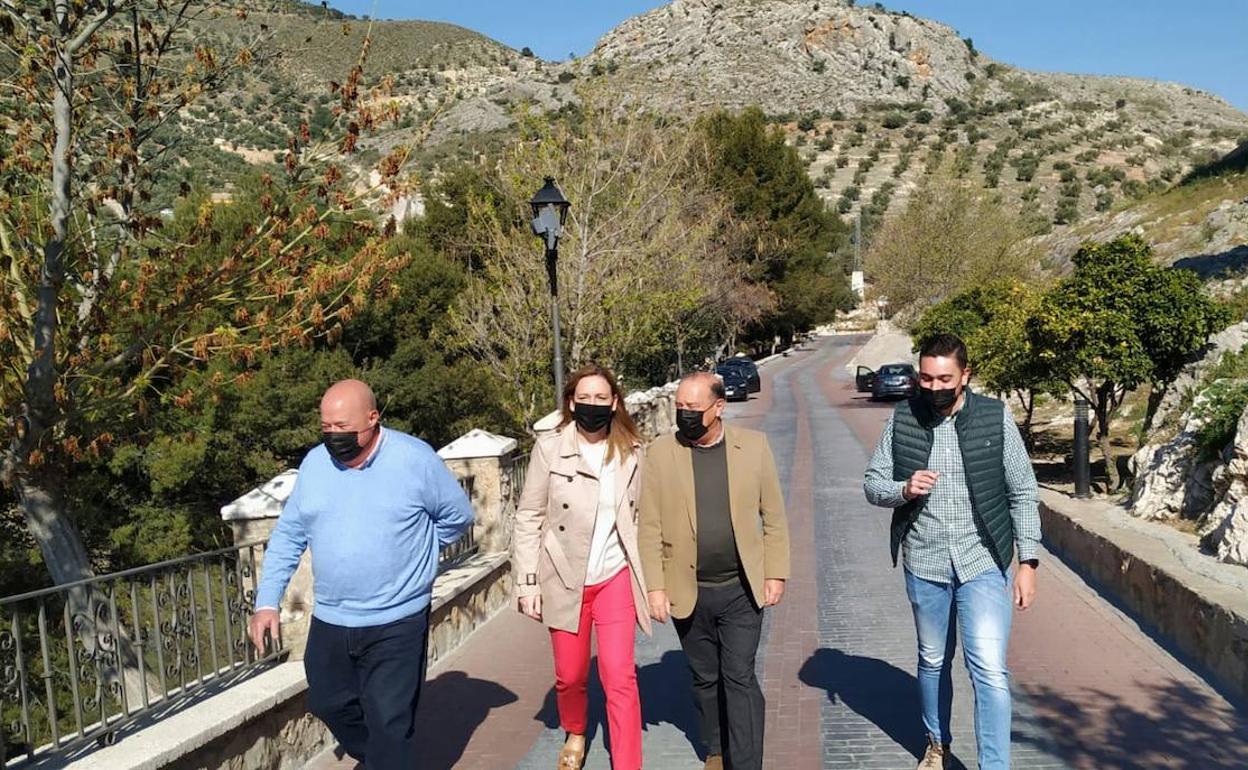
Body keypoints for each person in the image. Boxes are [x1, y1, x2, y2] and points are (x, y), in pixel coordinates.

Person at [248, 379, 474, 770]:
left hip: (397, 618)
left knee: (389, 719)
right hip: (332, 618)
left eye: (343, 427)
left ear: (373, 418)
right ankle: (385, 756)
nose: (334, 436)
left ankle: (388, 755)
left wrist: (418, 553)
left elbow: (457, 518)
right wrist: (267, 601)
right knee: (326, 702)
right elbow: (289, 534)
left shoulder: (414, 459)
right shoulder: (315, 464)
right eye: (326, 427)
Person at [863, 334, 1041, 770]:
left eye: (945, 378)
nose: (934, 386)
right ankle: (936, 744)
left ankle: (994, 765)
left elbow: (1022, 492)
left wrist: (1028, 562)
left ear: (965, 375)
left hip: (984, 561)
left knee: (989, 670)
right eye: (926, 378)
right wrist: (902, 489)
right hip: (925, 563)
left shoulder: (995, 418)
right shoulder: (903, 418)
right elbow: (872, 483)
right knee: (932, 660)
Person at [638, 371, 790, 770]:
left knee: (738, 676)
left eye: (694, 408)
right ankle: (716, 748)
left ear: (718, 407)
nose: (685, 415)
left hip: (741, 588)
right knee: (706, 680)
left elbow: (773, 515)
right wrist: (655, 587)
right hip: (688, 588)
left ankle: (746, 762)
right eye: (680, 408)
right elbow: (649, 525)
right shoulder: (660, 452)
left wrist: (775, 572)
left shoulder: (753, 447)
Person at [512, 365, 650, 770]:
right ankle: (576, 729)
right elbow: (528, 516)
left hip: (614, 576)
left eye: (600, 398)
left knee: (619, 675)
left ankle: (628, 763)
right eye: (584, 398)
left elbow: (642, 516)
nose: (592, 405)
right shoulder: (550, 448)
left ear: (614, 403)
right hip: (564, 576)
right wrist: (527, 583)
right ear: (571, 403)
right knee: (571, 677)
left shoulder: (632, 451)